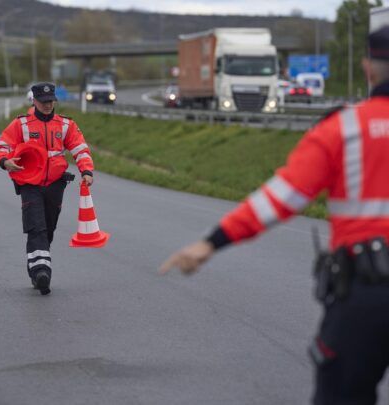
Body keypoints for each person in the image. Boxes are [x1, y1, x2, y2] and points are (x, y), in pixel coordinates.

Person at [159, 26, 389, 404]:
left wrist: (210, 243)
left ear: (368, 68)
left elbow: (276, 201)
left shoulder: (342, 129)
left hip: (366, 295)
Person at [0, 82, 94, 295]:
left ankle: (36, 263)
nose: (48, 105)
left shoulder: (65, 125)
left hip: (56, 185)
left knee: (48, 228)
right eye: (43, 102)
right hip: (30, 185)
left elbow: (80, 149)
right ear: (34, 101)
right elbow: (1, 147)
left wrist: (86, 171)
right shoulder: (21, 125)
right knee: (36, 227)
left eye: (51, 101)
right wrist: (5, 162)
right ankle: (41, 272)